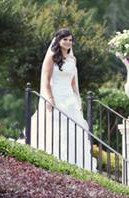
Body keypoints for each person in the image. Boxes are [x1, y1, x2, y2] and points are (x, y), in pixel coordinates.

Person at [29, 28, 94, 170]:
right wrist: (50, 98)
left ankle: (74, 163)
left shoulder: (72, 59)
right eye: (65, 39)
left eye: (70, 40)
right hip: (56, 96)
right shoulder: (52, 57)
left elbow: (73, 83)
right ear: (58, 41)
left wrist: (78, 100)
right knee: (56, 128)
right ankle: (55, 159)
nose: (68, 42)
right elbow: (45, 80)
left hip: (69, 98)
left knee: (74, 129)